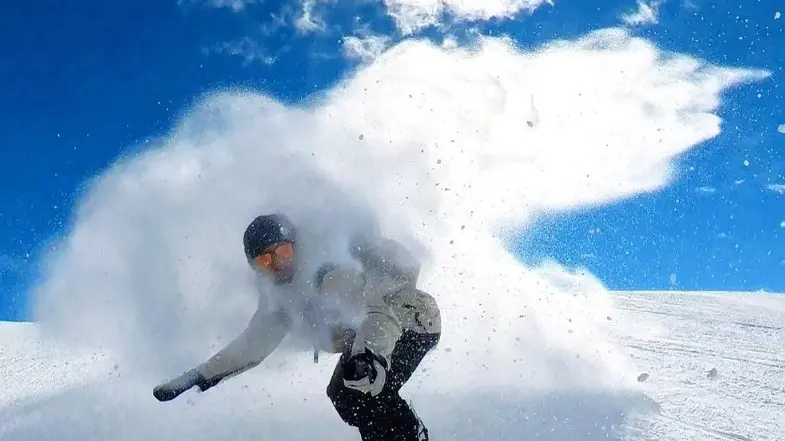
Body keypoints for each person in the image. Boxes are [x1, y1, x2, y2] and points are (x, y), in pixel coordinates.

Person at [152, 212, 442, 441]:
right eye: (267, 260)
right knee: (343, 394)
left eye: (285, 253)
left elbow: (379, 312)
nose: (279, 265)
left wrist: (371, 357)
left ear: (298, 247)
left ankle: (409, 436)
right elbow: (251, 345)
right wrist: (200, 375)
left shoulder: (327, 273)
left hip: (411, 322)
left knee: (359, 393)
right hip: (371, 341)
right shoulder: (281, 300)